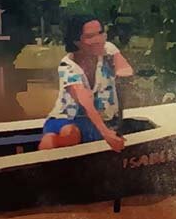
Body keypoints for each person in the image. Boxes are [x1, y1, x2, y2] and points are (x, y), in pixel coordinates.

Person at [39, 15, 134, 152]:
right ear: (77, 41)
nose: (98, 40)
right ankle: (50, 145)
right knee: (71, 133)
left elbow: (125, 69)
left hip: (101, 121)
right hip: (69, 119)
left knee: (77, 133)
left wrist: (121, 75)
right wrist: (106, 134)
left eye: (101, 33)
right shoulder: (68, 67)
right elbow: (86, 103)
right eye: (90, 37)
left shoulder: (109, 50)